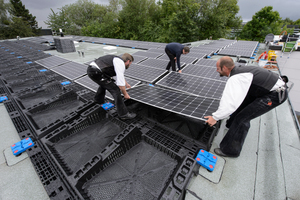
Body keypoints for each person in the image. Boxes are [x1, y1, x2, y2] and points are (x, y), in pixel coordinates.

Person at [204, 56, 287, 157]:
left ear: (225, 68)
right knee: (241, 106)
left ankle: (230, 151)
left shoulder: (236, 78)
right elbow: (238, 100)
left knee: (242, 118)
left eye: (218, 68)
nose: (217, 71)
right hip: (264, 90)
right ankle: (231, 125)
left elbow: (230, 103)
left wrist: (215, 117)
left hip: (274, 95)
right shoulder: (239, 70)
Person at [87, 53, 136, 120]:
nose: (130, 65)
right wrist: (125, 94)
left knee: (104, 84)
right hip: (96, 72)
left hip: (92, 70)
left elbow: (120, 75)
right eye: (130, 63)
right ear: (128, 61)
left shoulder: (117, 60)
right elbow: (120, 85)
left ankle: (98, 100)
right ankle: (123, 114)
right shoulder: (120, 63)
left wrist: (126, 84)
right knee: (116, 90)